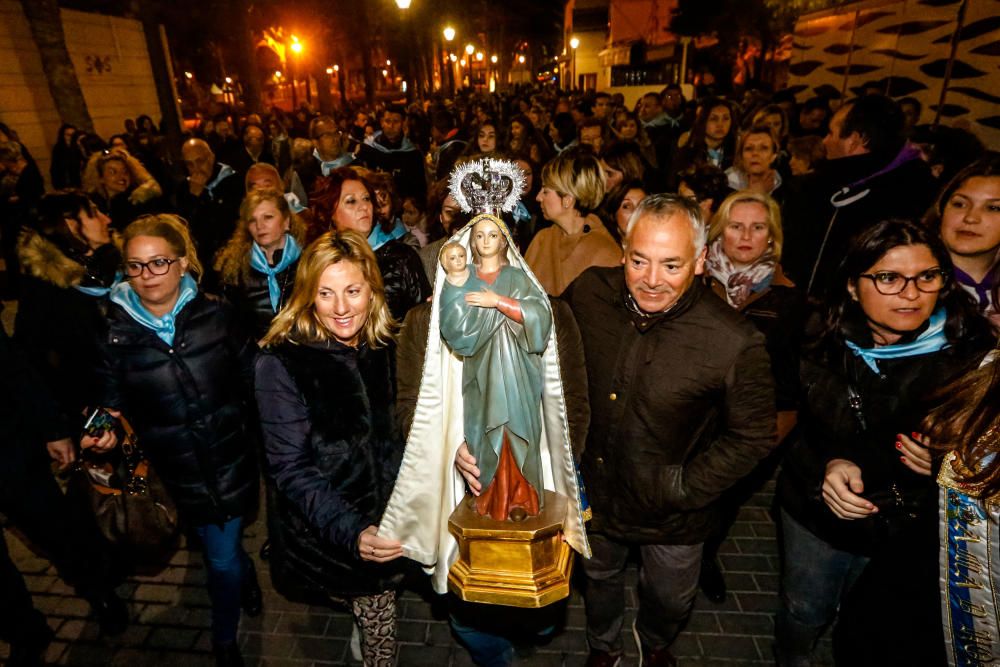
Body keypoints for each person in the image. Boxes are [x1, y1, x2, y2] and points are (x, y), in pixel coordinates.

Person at [564, 193, 777, 666]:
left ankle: (654, 642)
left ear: (700, 261)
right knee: (598, 580)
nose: (652, 280)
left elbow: (755, 435)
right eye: (639, 260)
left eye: (671, 265)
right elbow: (540, 336)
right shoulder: (589, 294)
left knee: (671, 597)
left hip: (675, 516)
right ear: (623, 250)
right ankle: (605, 646)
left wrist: (684, 486)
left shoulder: (733, 341)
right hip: (596, 496)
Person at [774, 219, 994, 667]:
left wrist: (946, 464)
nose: (911, 294)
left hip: (910, 524)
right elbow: (784, 425)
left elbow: (984, 458)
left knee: (875, 620)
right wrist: (827, 468)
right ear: (854, 286)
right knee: (805, 610)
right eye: (889, 278)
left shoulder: (971, 355)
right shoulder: (814, 334)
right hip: (816, 515)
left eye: (927, 277)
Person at [87, 214, 261, 667]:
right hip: (167, 472)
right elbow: (108, 401)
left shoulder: (217, 314)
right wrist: (101, 431)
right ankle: (245, 574)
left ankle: (224, 638)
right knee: (214, 546)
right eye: (136, 266)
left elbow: (255, 378)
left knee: (217, 561)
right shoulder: (111, 330)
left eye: (159, 262)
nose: (147, 276)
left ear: (182, 263)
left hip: (226, 460)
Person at [255, 230, 406, 666]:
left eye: (353, 291)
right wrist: (352, 531)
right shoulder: (281, 364)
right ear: (307, 296)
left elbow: (400, 432)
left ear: (372, 291)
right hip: (330, 532)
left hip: (391, 523)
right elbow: (291, 469)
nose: (342, 308)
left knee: (378, 603)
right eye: (326, 293)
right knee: (381, 636)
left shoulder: (382, 345)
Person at [699, 190, 805, 601]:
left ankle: (706, 555)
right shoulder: (694, 281)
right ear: (719, 232)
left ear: (772, 237)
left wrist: (775, 432)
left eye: (757, 227)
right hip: (694, 416)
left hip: (749, 427)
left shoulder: (789, 297)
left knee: (725, 500)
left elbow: (791, 377)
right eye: (736, 226)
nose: (746, 235)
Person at [0, 326, 127, 666]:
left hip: (6, 448)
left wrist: (53, 429)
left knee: (54, 528)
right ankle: (24, 630)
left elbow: (13, 367)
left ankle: (98, 591)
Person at [438, 216, 553, 521]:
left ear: (504, 241)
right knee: (484, 432)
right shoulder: (462, 277)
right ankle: (491, 498)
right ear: (470, 242)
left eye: (492, 235)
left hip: (516, 371)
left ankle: (520, 497)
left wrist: (498, 302)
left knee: (516, 430)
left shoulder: (516, 277)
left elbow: (541, 317)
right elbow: (452, 325)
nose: (485, 241)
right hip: (481, 371)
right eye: (479, 235)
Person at [781, 95, 936, 296]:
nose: (825, 141)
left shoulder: (826, 189)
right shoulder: (922, 185)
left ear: (856, 140)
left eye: (831, 132)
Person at [15, 191, 121, 423]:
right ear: (69, 224)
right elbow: (34, 362)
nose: (107, 219)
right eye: (95, 214)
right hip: (94, 415)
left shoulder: (118, 266)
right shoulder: (46, 289)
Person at [309, 167, 430, 321]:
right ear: (329, 212)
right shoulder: (316, 261)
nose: (364, 207)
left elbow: (422, 322)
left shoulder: (402, 257)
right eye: (351, 201)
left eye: (366, 199)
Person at [525, 148, 622, 296]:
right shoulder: (542, 239)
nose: (538, 197)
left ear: (567, 200)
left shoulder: (604, 250)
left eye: (545, 191)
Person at [214, 188, 308, 338]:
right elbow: (229, 325)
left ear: (286, 221)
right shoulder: (234, 270)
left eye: (268, 217)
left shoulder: (310, 261)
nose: (260, 226)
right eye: (253, 220)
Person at [924, 153, 1000, 323]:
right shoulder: (904, 275)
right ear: (941, 209)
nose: (971, 218)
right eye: (959, 204)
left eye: (993, 208)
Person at [173, 138, 245, 274]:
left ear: (211, 158)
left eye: (200, 162)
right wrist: (194, 197)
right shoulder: (184, 189)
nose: (196, 169)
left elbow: (226, 221)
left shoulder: (233, 181)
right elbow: (184, 227)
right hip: (203, 259)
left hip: (233, 252)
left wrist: (204, 198)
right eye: (190, 164)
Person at [356, 104, 427, 204]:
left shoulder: (413, 154)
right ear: (382, 123)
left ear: (403, 123)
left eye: (396, 122)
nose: (391, 126)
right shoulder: (368, 148)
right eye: (387, 121)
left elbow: (419, 190)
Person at [82, 149, 163, 230]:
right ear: (100, 178)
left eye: (125, 172)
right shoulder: (92, 205)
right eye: (113, 172)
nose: (121, 177)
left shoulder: (140, 202)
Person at [726, 125, 783, 200]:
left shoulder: (784, 187)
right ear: (741, 155)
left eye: (763, 148)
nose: (755, 153)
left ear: (773, 156)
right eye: (749, 149)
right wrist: (756, 192)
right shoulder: (726, 183)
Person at [50, 123, 82, 189]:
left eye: (73, 135)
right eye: (68, 135)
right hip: (65, 185)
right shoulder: (58, 149)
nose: (70, 137)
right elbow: (56, 168)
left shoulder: (79, 148)